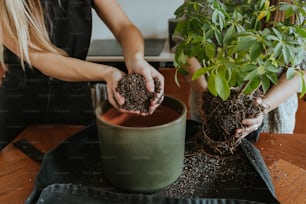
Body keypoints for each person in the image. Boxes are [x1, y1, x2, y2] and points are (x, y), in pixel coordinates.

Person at [0, 0, 164, 150]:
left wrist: (136, 59)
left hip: (75, 102)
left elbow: (123, 27)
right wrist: (108, 73)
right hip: (21, 109)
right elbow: (42, 59)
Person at [185, 57, 305, 140]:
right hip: (208, 105)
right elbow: (185, 50)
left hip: (273, 119)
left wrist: (263, 106)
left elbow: (301, 70)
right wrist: (204, 93)